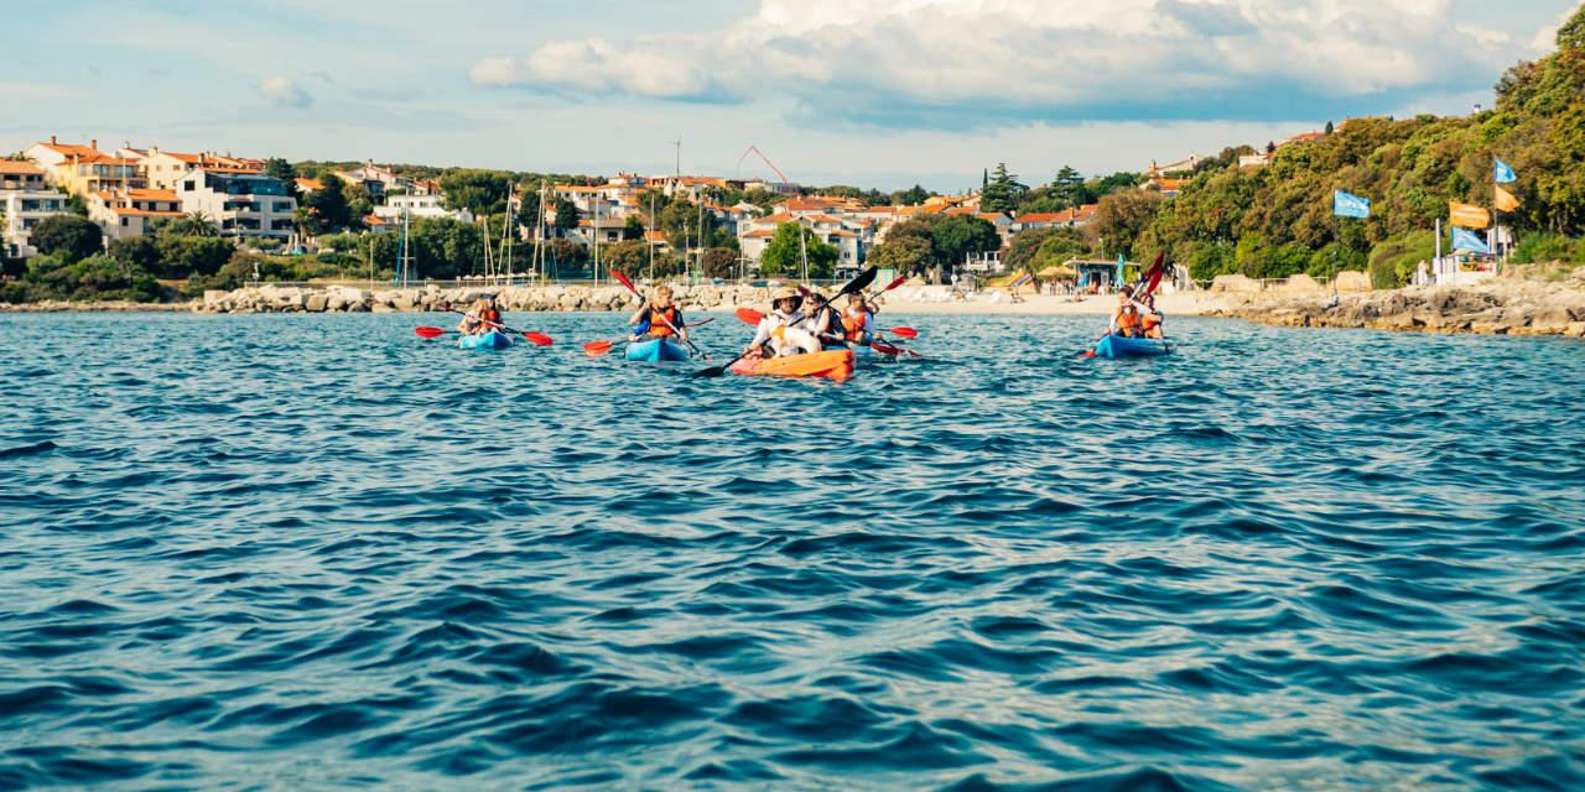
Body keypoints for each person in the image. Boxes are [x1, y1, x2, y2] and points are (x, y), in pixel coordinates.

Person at [745, 286, 821, 358]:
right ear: (780, 303)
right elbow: (760, 336)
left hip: (793, 354)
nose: (789, 303)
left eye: (791, 300)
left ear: (795, 302)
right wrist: (751, 347)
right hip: (773, 353)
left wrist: (812, 317)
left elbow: (813, 330)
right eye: (785, 300)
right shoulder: (769, 317)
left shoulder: (801, 316)